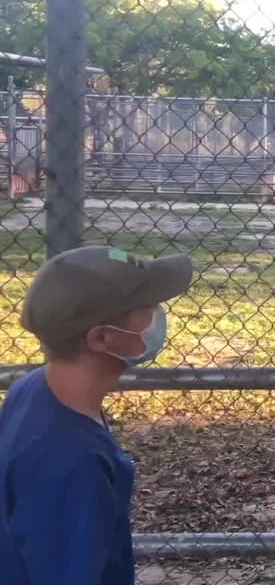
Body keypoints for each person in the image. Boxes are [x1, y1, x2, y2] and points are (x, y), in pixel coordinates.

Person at [0, 245, 193, 585]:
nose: (159, 314)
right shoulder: (73, 464)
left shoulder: (31, 389)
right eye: (146, 308)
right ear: (102, 338)